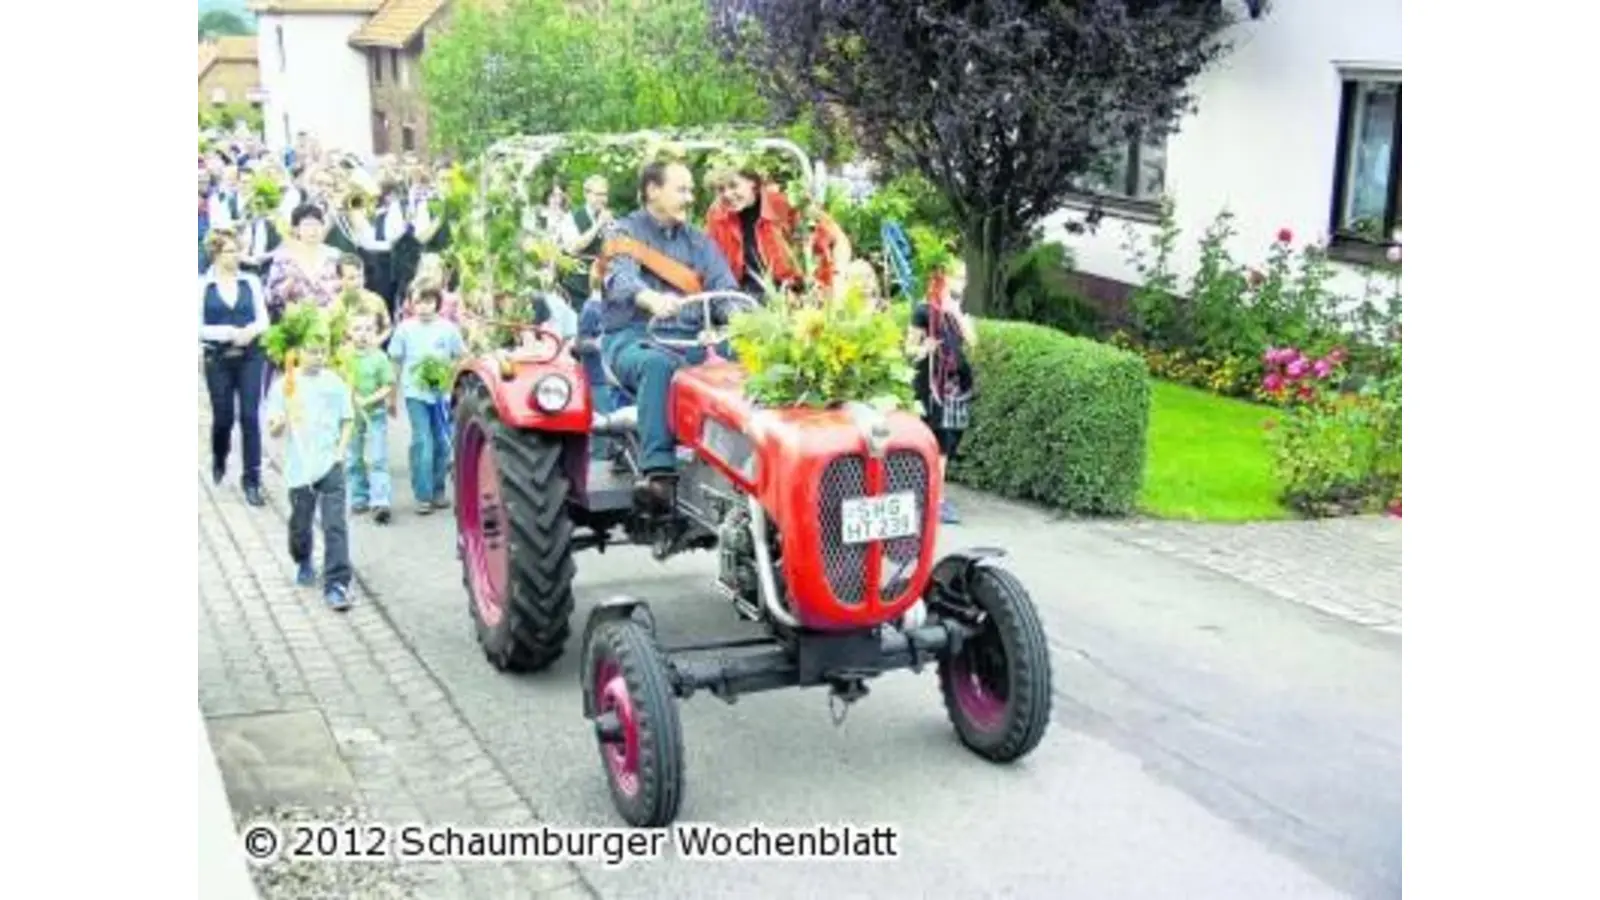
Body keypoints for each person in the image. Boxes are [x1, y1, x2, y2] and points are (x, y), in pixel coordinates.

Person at [598, 159, 739, 508]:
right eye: (682, 189)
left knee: (744, 359)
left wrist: (742, 320)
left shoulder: (699, 242)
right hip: (633, 338)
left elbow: (724, 290)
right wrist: (649, 298)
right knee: (658, 366)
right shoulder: (623, 232)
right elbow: (619, 279)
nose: (690, 198)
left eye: (691, 190)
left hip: (691, 340)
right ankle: (658, 473)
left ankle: (741, 463)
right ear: (652, 191)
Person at [265, 320, 355, 611]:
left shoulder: (334, 383)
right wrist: (279, 423)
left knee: (335, 524)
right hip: (299, 467)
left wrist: (340, 452)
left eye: (323, 351)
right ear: (297, 351)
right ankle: (303, 558)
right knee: (300, 524)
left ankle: (337, 583)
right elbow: (274, 428)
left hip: (329, 463)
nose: (318, 357)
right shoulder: (284, 385)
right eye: (312, 351)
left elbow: (348, 418)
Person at [201, 229, 271, 507]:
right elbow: (198, 327)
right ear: (216, 254)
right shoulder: (202, 286)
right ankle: (220, 456)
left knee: (250, 416)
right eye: (229, 251)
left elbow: (263, 317)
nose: (235, 256)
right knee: (223, 418)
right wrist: (229, 332)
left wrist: (251, 331)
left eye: (237, 250)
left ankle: (252, 479)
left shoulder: (250, 282)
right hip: (217, 357)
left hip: (251, 354)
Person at [704, 167, 852, 298]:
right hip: (743, 293)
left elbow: (837, 241)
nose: (727, 194)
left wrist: (838, 279)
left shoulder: (784, 204)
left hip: (791, 291)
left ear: (753, 182)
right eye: (721, 189)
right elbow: (709, 258)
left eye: (733, 186)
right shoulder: (717, 215)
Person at [906, 260, 978, 525]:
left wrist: (956, 313)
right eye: (957, 277)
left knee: (950, 440)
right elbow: (909, 349)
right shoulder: (924, 310)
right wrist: (924, 348)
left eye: (964, 278)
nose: (962, 283)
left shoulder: (957, 313)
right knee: (938, 439)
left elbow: (972, 341)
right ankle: (934, 500)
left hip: (955, 385)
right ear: (942, 277)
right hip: (931, 385)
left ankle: (932, 495)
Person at [388, 286, 465, 514]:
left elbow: (461, 356)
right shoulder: (405, 329)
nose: (424, 307)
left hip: (440, 395)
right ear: (411, 304)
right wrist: (391, 396)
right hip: (414, 393)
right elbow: (395, 362)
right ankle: (423, 494)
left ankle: (438, 489)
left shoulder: (448, 329)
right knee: (422, 440)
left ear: (437, 304)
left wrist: (448, 376)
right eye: (419, 302)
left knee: (442, 442)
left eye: (429, 302)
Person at [344, 313, 395, 525]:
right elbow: (338, 381)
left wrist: (369, 399)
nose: (362, 334)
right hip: (351, 415)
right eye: (357, 329)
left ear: (375, 333)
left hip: (375, 413)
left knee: (378, 457)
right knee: (353, 456)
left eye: (368, 329)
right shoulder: (344, 357)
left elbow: (388, 385)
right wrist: (351, 395)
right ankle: (359, 496)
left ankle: (380, 501)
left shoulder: (379, 357)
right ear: (348, 332)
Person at [559, 175, 616, 301]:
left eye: (605, 195)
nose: (602, 199)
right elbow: (573, 248)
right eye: (598, 195)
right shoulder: (571, 218)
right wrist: (598, 225)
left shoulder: (609, 218)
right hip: (577, 287)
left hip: (602, 287)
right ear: (587, 194)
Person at [331, 253, 393, 346]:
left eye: (360, 276)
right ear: (340, 279)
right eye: (351, 278)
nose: (357, 282)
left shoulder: (376, 300)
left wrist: (377, 340)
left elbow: (387, 327)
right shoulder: (334, 306)